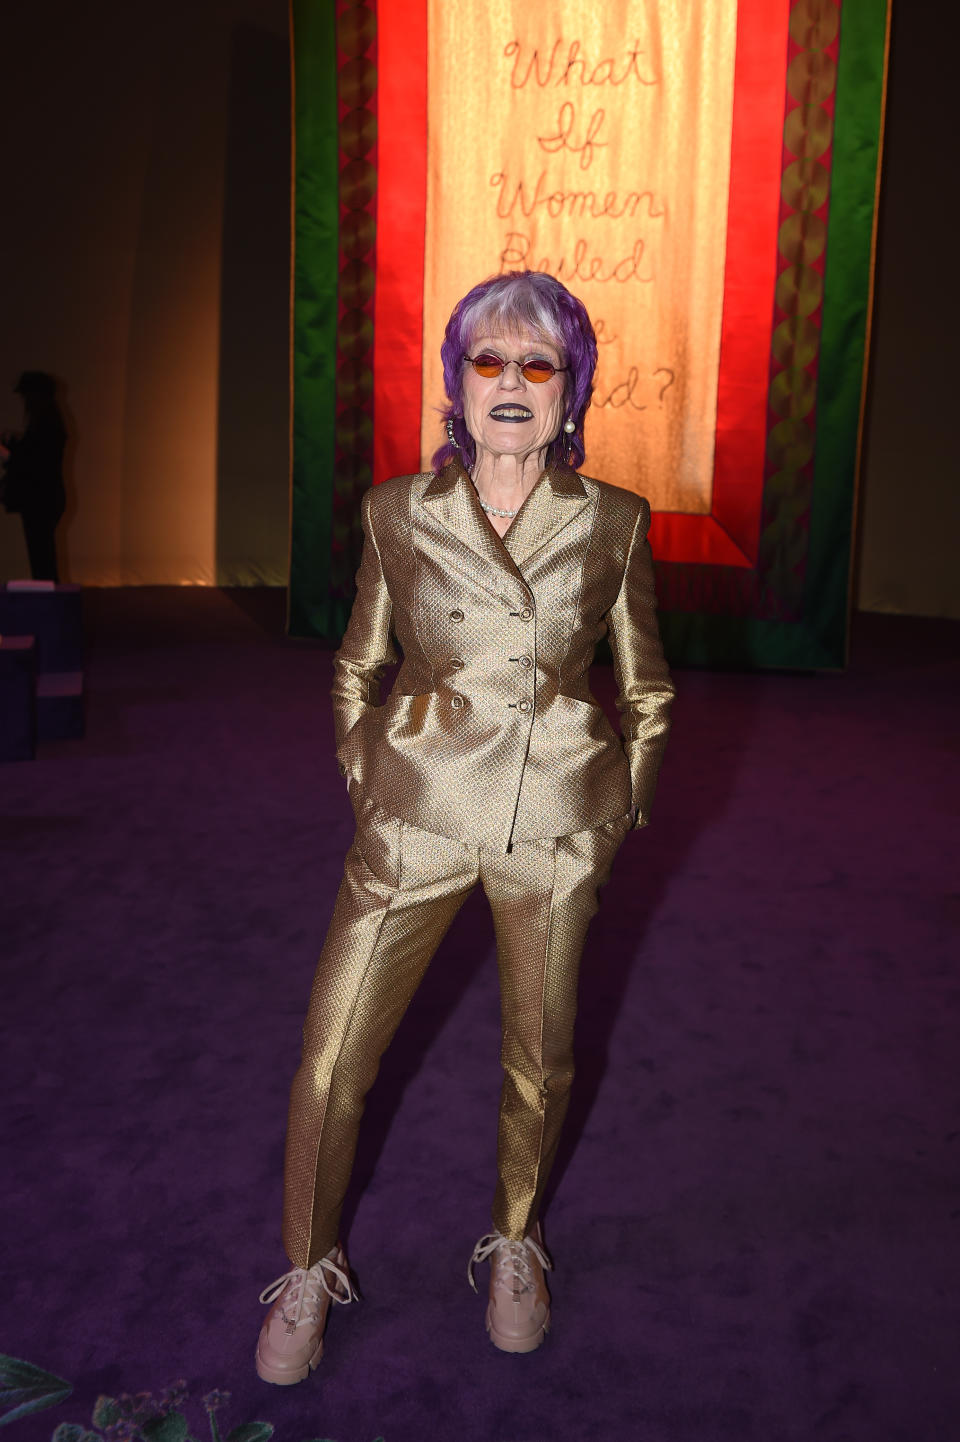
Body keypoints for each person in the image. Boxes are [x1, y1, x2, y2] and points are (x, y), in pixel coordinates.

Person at [255, 270, 675, 1382]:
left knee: (540, 1060)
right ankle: (306, 1262)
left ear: (569, 391)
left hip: (555, 826)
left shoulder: (616, 521)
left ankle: (518, 1239)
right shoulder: (398, 511)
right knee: (334, 1051)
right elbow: (358, 662)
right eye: (488, 359)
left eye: (538, 364)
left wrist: (617, 810)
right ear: (455, 380)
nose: (511, 382)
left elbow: (647, 691)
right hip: (417, 817)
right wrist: (370, 772)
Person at [0, 372, 67, 582]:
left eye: (26, 395)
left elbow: (33, 463)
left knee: (42, 563)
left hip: (40, 501)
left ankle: (49, 607)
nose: (24, 402)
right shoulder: (49, 421)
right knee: (43, 561)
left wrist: (7, 453)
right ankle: (49, 605)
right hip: (45, 500)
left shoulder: (45, 423)